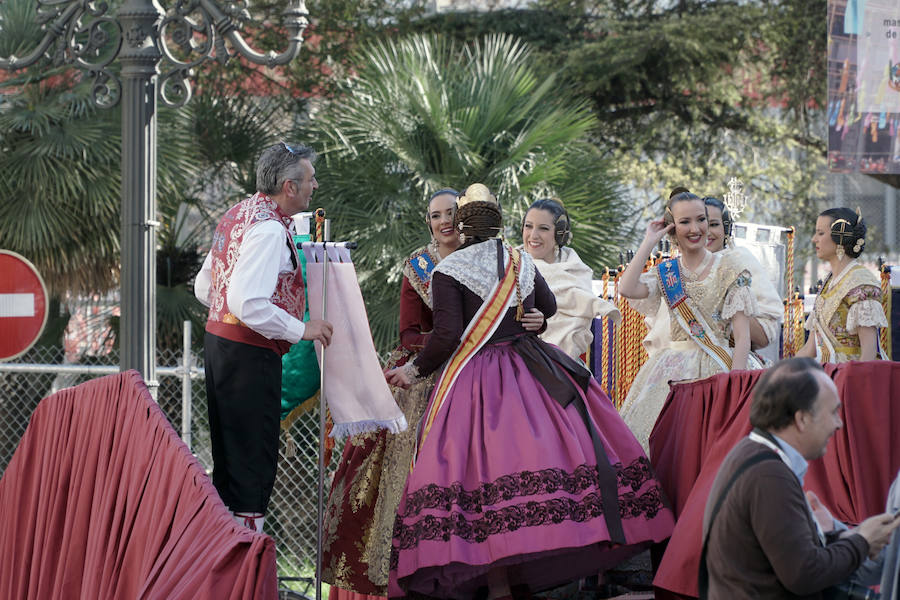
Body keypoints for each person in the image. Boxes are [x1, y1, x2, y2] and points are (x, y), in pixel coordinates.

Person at [385, 183, 674, 600]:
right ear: (499, 224)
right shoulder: (518, 259)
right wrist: (533, 318)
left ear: (464, 229)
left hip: (478, 379)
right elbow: (549, 307)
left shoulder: (448, 271)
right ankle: (519, 576)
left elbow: (447, 335)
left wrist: (412, 372)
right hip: (531, 368)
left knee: (480, 478)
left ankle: (500, 584)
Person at [321, 189, 545, 596]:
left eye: (450, 214)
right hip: (427, 377)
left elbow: (527, 307)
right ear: (428, 222)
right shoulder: (420, 265)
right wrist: (440, 350)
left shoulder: (489, 259)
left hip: (480, 378)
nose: (443, 221)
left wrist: (536, 318)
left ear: (463, 219)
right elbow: (409, 333)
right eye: (435, 215)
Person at [194, 142, 333, 533]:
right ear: (289, 187)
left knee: (232, 461)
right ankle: (246, 562)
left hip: (222, 347)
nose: (315, 186)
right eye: (309, 180)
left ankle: (229, 547)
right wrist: (301, 329)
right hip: (249, 356)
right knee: (253, 462)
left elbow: (206, 287)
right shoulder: (271, 229)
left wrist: (228, 318)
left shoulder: (237, 213)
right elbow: (246, 302)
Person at [701, 357, 900, 599]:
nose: (839, 424)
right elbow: (805, 574)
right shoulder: (768, 475)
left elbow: (791, 559)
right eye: (833, 412)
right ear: (802, 419)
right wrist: (862, 541)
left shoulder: (756, 456)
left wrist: (834, 536)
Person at [617, 188, 766, 451]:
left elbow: (743, 335)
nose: (695, 228)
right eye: (685, 222)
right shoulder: (666, 273)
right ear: (672, 228)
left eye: (701, 219)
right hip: (672, 371)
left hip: (722, 365)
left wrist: (736, 383)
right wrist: (649, 241)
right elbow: (627, 288)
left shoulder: (730, 268)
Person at [641, 194, 781, 360]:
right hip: (677, 364)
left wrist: (719, 308)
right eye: (689, 222)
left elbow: (765, 332)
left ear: (726, 229)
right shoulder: (673, 270)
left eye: (712, 223)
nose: (702, 229)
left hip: (726, 362)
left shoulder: (739, 261)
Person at [521, 197, 620, 362]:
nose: (533, 235)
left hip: (566, 368)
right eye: (528, 226)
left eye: (543, 228)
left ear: (559, 234)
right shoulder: (509, 265)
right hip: (518, 366)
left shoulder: (576, 271)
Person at [797, 207, 888, 362]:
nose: (814, 239)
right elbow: (809, 349)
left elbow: (869, 353)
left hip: (851, 378)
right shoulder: (828, 283)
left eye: (820, 233)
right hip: (827, 376)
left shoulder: (861, 282)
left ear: (840, 236)